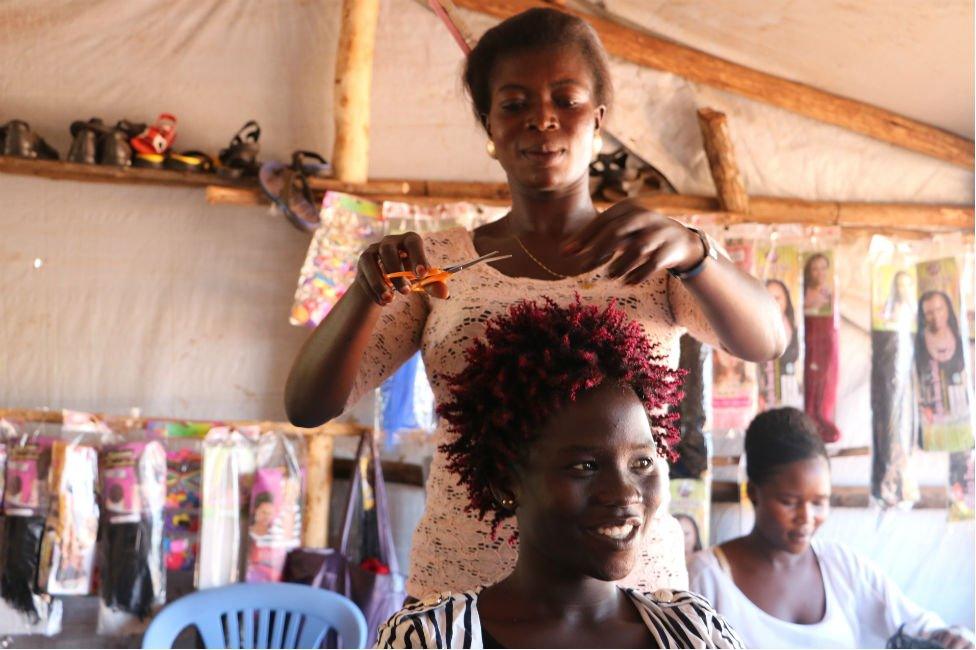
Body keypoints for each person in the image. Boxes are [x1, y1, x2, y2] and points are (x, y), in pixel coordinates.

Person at [285, 8, 786, 599]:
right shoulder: (435, 265)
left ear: (598, 122)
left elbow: (767, 342)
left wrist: (699, 254)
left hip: (629, 594)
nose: (542, 119)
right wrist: (366, 293)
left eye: (566, 99)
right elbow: (308, 405)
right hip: (468, 591)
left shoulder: (657, 251)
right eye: (515, 104)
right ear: (490, 130)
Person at [376, 298, 742, 648]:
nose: (624, 493)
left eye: (641, 463)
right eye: (585, 466)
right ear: (506, 483)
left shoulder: (694, 632)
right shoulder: (431, 639)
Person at [688, 407, 975, 649]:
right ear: (753, 493)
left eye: (819, 502)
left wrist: (951, 638)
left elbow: (920, 626)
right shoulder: (705, 580)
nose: (807, 517)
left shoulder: (842, 567)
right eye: (789, 502)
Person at [915, 290, 968, 421]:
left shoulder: (963, 341)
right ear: (923, 316)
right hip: (930, 421)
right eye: (929, 313)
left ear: (948, 309)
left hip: (963, 417)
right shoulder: (917, 346)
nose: (936, 316)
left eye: (939, 309)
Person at [765, 279, 798, 367]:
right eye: (768, 297)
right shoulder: (756, 330)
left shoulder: (795, 331)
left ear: (786, 300)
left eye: (777, 298)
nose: (773, 302)